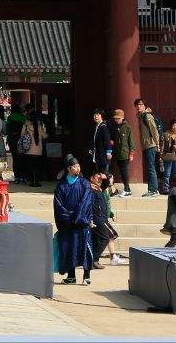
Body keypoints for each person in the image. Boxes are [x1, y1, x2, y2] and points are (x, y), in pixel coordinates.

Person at [53, 155, 95, 285]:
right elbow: (58, 205)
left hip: (81, 223)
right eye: (75, 166)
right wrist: (68, 218)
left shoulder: (84, 183)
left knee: (84, 248)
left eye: (78, 166)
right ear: (69, 168)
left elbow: (86, 202)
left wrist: (78, 217)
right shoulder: (61, 186)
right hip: (67, 224)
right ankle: (71, 275)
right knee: (69, 247)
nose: (78, 168)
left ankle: (86, 275)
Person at [135, 99, 162, 196]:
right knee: (150, 167)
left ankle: (153, 190)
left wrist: (157, 144)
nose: (138, 106)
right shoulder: (141, 116)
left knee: (151, 168)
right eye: (137, 105)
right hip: (147, 145)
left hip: (151, 145)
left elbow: (154, 130)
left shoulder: (147, 116)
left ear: (145, 106)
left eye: (140, 104)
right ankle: (152, 189)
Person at [110, 108, 133, 196]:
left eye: (118, 118)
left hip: (125, 153)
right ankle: (127, 189)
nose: (116, 120)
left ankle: (127, 189)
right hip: (117, 152)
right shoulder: (115, 127)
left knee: (124, 171)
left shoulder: (127, 127)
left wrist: (131, 153)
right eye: (115, 118)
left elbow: (130, 141)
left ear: (122, 118)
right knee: (121, 171)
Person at [89, 110, 111, 179]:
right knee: (99, 173)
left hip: (103, 155)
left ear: (102, 116)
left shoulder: (103, 127)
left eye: (98, 115)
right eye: (95, 115)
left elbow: (107, 141)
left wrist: (109, 152)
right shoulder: (97, 127)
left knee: (103, 174)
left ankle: (106, 188)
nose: (96, 116)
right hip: (98, 154)